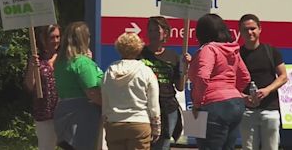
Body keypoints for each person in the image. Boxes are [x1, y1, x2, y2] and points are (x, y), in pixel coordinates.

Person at [188, 13, 250, 150]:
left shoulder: (208, 49)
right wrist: (232, 92)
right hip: (236, 104)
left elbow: (203, 77)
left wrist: (197, 104)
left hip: (212, 105)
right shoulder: (232, 50)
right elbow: (245, 77)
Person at [102, 32, 161, 150]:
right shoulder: (146, 71)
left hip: (115, 124)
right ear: (139, 48)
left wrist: (106, 120)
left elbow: (105, 98)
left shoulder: (110, 71)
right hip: (140, 123)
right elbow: (153, 104)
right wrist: (156, 128)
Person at [238, 14, 288, 150]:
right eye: (245, 29)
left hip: (270, 110)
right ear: (240, 32)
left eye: (253, 28)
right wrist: (243, 97)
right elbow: (229, 81)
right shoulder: (236, 55)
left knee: (271, 148)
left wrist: (267, 90)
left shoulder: (272, 51)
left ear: (260, 29)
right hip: (246, 110)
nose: (249, 32)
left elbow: (283, 76)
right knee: (248, 148)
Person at [53, 21, 103, 150]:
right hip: (82, 119)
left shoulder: (60, 62)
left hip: (63, 114)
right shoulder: (82, 63)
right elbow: (92, 93)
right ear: (84, 38)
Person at [140, 16, 185, 150]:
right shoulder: (139, 54)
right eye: (150, 30)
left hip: (167, 107)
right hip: (144, 106)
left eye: (157, 30)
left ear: (165, 33)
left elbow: (180, 87)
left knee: (163, 144)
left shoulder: (173, 57)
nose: (153, 34)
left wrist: (185, 69)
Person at [24, 24, 60, 150]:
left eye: (57, 37)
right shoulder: (37, 59)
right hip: (44, 111)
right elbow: (29, 86)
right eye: (51, 37)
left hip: (64, 111)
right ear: (43, 39)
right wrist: (32, 68)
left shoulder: (65, 57)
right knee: (46, 147)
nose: (55, 41)